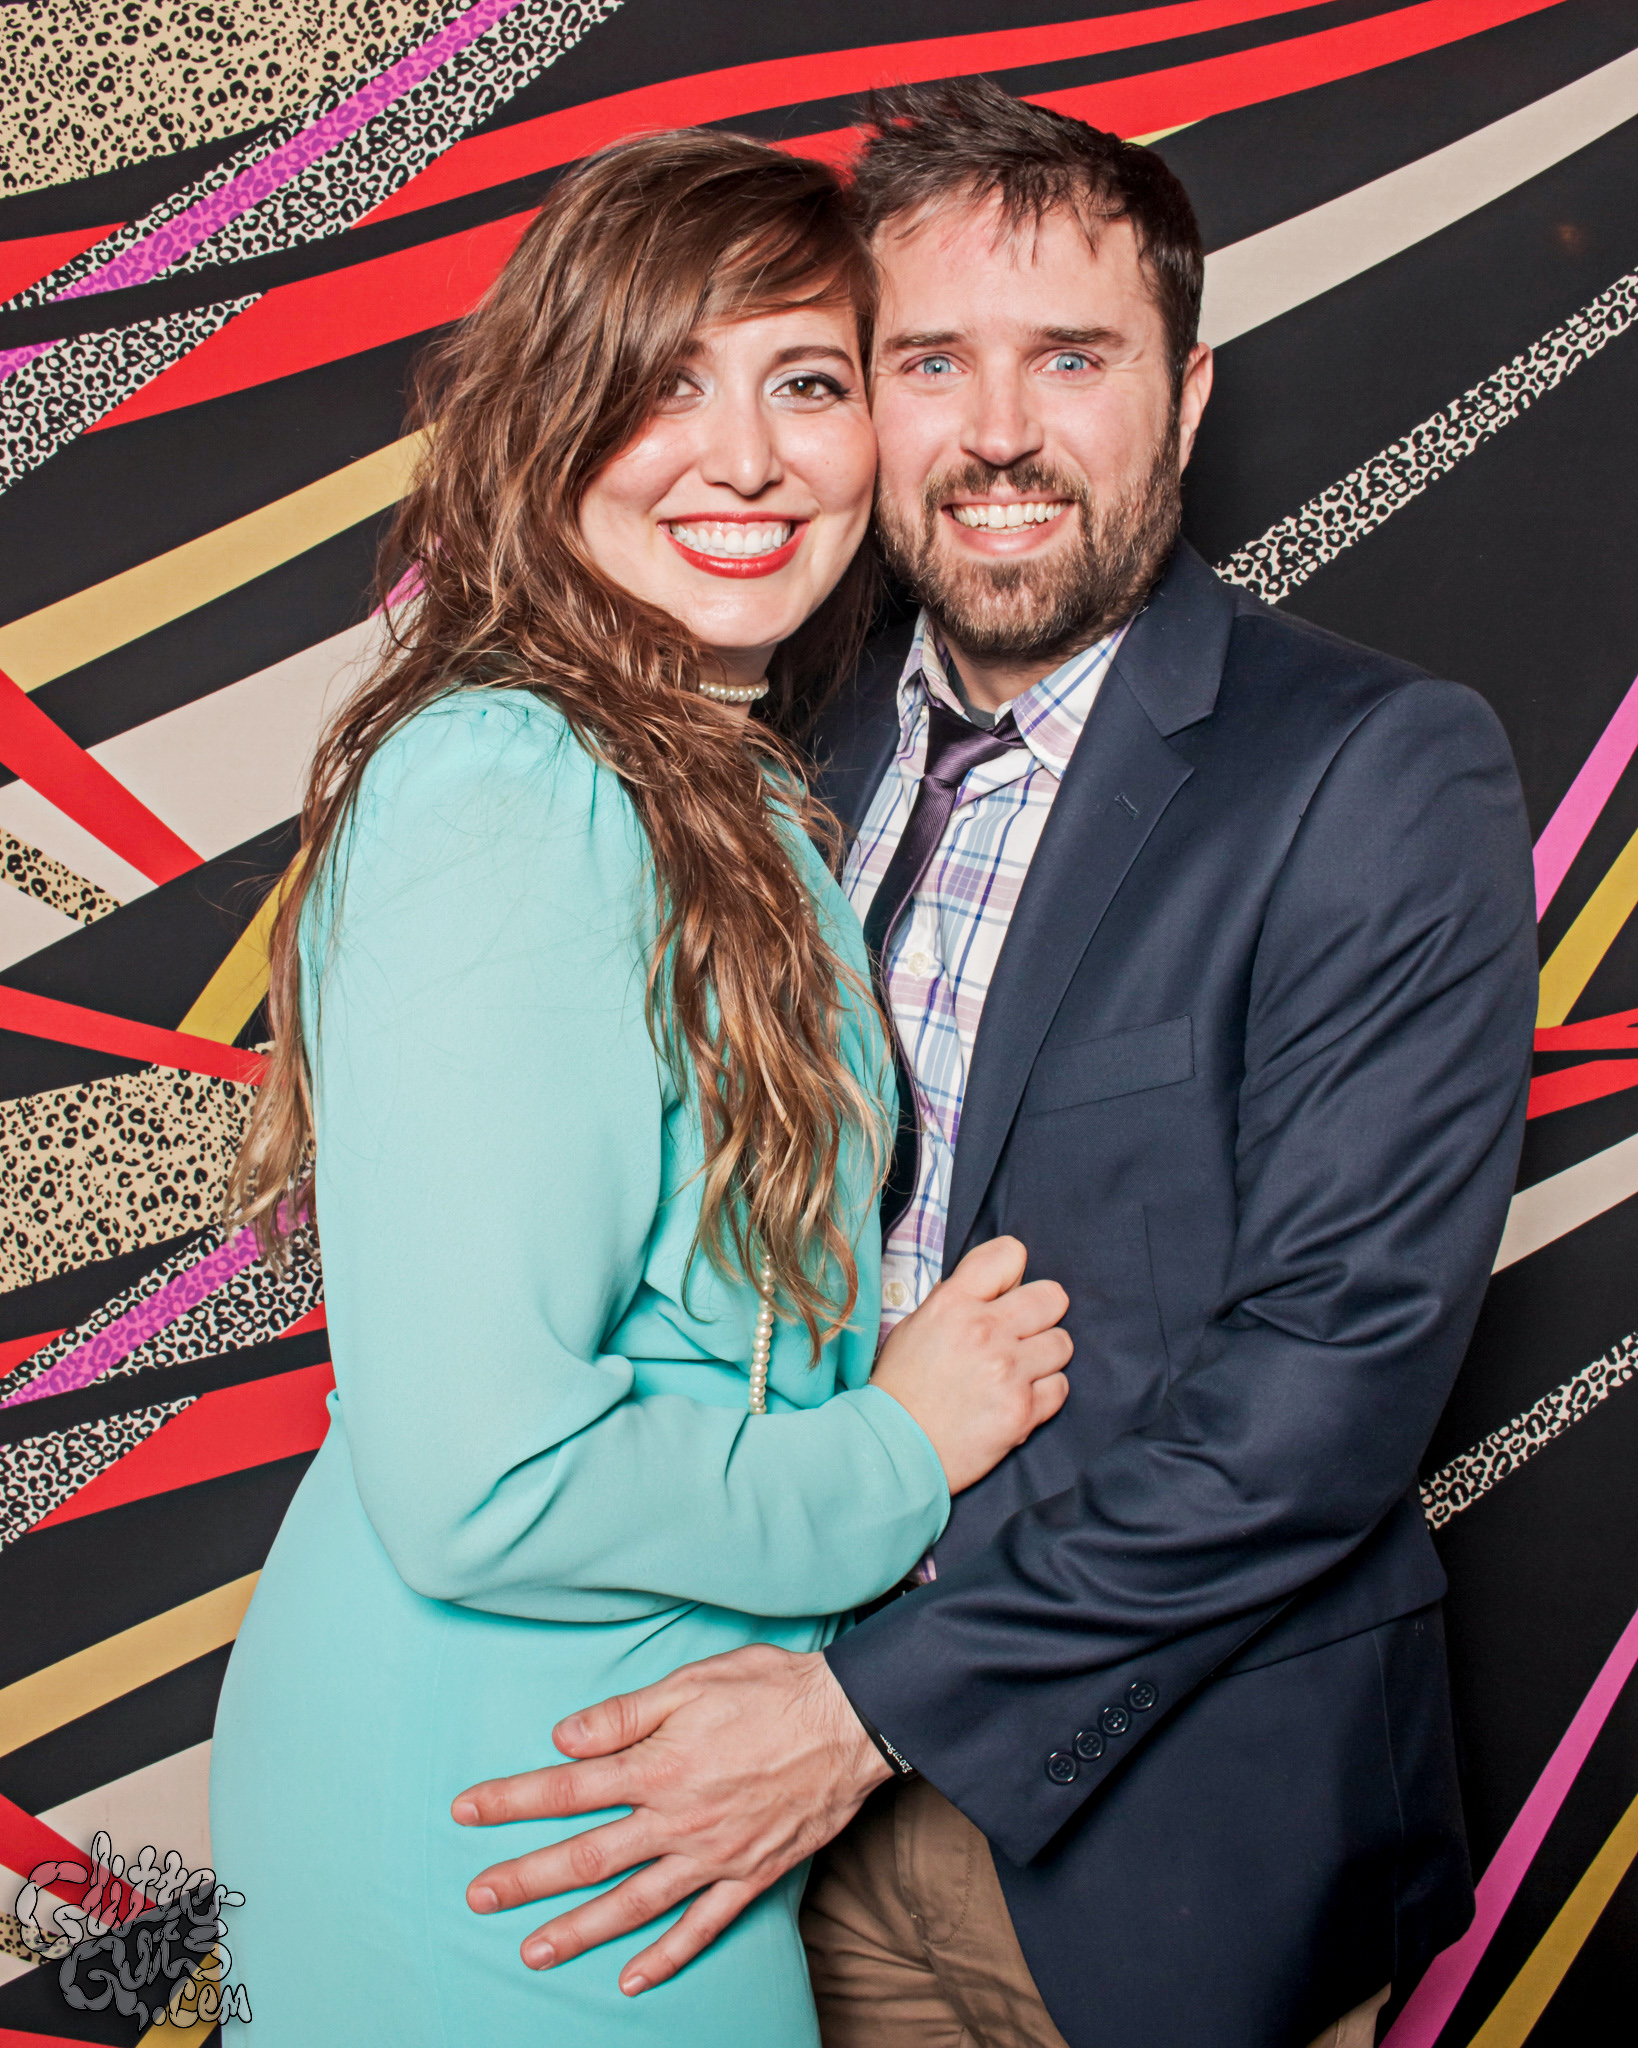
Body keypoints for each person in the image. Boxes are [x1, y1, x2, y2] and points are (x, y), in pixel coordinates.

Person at [452, 81, 1540, 2048]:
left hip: (1160, 1846)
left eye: (1072, 358)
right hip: (745, 1804)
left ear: (1184, 401)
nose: (1000, 432)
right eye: (930, 360)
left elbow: (1328, 1385)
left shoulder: (1373, 769)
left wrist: (862, 1715)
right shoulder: (773, 740)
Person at [208, 126, 1074, 2047]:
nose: (746, 458)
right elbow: (484, 1478)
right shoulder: (512, 785)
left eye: (809, 383)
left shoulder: (714, 776)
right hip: (511, 1801)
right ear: (550, 419)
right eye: (668, 383)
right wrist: (896, 1447)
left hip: (635, 1764)